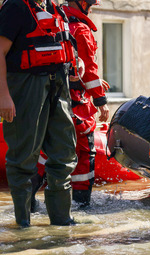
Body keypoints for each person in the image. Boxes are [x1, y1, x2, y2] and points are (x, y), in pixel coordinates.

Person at [0, 0, 79, 227]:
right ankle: (23, 226)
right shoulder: (15, 7)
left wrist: (76, 64)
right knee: (23, 157)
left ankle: (62, 221)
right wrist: (3, 96)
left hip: (59, 86)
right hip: (25, 87)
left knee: (64, 154)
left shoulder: (54, 7)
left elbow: (58, 43)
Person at [62, 0, 110, 207]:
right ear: (82, 3)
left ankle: (28, 206)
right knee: (84, 153)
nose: (91, 10)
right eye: (90, 6)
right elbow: (88, 72)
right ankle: (82, 205)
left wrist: (96, 84)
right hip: (77, 106)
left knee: (49, 154)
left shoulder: (59, 23)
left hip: (55, 101)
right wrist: (101, 101)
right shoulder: (81, 30)